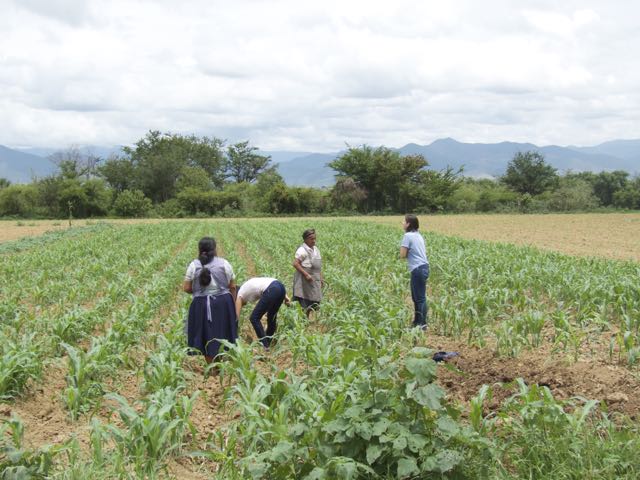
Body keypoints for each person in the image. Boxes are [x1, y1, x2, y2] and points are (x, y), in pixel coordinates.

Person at [183, 237, 237, 364]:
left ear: (199, 250)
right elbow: (232, 286)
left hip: (200, 304)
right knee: (222, 331)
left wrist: (198, 292)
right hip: (223, 302)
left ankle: (211, 365)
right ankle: (219, 362)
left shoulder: (193, 265)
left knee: (205, 334)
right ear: (215, 249)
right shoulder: (224, 263)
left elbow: (186, 288)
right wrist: (232, 303)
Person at [235, 277, 290, 349]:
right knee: (272, 317)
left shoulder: (239, 294)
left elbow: (236, 317)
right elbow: (272, 283)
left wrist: (234, 331)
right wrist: (285, 297)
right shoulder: (246, 286)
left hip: (272, 289)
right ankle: (268, 341)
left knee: (254, 318)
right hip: (280, 287)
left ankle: (265, 346)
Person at [400, 214, 430, 329]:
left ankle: (422, 324)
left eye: (404, 221)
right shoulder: (418, 235)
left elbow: (402, 255)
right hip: (424, 267)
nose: (402, 223)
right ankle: (417, 323)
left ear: (408, 224)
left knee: (419, 298)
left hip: (417, 269)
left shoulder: (407, 236)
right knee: (418, 297)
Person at [292, 228, 323, 317]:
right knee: (304, 300)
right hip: (304, 279)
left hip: (314, 279)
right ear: (305, 239)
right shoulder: (302, 250)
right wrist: (306, 275)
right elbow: (295, 263)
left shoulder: (316, 249)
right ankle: (302, 319)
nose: (314, 241)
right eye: (311, 239)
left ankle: (306, 317)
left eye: (315, 238)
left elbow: (318, 266)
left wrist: (320, 278)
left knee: (313, 300)